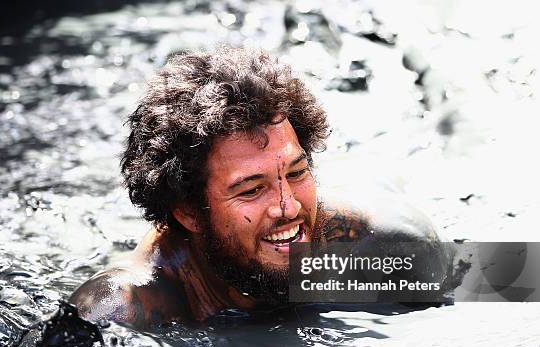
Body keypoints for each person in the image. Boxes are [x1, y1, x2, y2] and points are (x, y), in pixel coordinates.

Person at [70, 47, 444, 327]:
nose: (288, 207)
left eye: (297, 173)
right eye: (251, 190)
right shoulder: (124, 307)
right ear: (187, 212)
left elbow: (499, 283)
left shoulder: (392, 250)